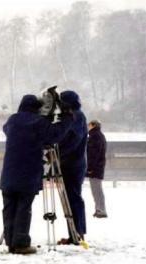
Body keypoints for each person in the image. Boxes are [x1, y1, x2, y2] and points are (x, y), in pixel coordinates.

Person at [0, 94, 74, 254]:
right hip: (28, 173)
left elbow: (6, 129)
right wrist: (66, 118)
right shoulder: (38, 122)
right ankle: (21, 243)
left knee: (9, 208)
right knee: (23, 208)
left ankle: (10, 242)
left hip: (9, 173)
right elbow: (55, 135)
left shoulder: (12, 121)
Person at [56, 90, 88, 245]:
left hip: (73, 164)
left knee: (73, 198)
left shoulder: (77, 116)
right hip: (72, 163)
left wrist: (57, 152)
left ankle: (78, 234)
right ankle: (75, 234)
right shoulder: (76, 115)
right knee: (71, 198)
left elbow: (73, 140)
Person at [87, 120, 107, 218]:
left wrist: (90, 167)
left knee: (96, 189)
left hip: (95, 168)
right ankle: (99, 209)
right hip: (98, 166)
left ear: (93, 125)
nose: (88, 127)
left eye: (89, 125)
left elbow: (93, 154)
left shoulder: (95, 136)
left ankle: (101, 209)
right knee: (96, 189)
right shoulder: (98, 136)